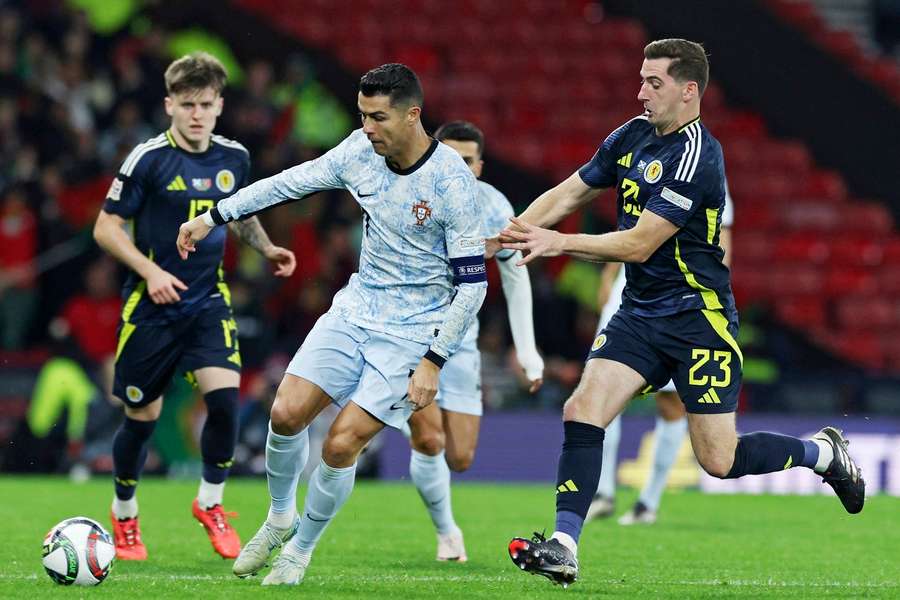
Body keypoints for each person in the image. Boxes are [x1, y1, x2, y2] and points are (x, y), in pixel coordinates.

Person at [498, 39, 865, 587]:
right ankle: (565, 545)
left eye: (654, 83)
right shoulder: (631, 134)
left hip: (700, 319)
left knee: (719, 459)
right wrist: (513, 232)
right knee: (582, 408)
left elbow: (641, 244)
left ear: (688, 91)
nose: (640, 91)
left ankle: (823, 454)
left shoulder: (698, 156)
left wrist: (556, 244)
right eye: (641, 79)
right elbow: (570, 192)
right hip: (640, 313)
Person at [176, 63, 488, 586]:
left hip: (412, 335)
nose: (367, 127)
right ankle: (279, 517)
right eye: (362, 115)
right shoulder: (359, 152)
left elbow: (472, 285)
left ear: (413, 115)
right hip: (355, 310)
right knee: (285, 413)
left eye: (378, 117)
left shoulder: (453, 184)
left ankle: (300, 549)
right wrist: (214, 217)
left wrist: (434, 360)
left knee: (340, 445)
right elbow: (288, 184)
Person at [92, 51, 296, 561]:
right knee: (141, 419)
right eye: (187, 104)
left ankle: (211, 502)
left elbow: (240, 213)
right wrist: (151, 271)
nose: (197, 113)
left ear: (221, 104)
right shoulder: (147, 158)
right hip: (152, 308)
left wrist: (266, 247)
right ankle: (124, 515)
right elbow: (105, 227)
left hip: (208, 300)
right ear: (169, 105)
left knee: (224, 403)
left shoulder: (235, 158)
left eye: (206, 103)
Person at [404, 121, 544, 562]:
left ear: (479, 166)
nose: (458, 169)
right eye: (448, 158)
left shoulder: (494, 207)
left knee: (460, 457)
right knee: (429, 441)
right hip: (406, 335)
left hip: (460, 343)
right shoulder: (409, 195)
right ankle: (447, 534)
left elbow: (515, 275)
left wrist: (527, 352)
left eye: (467, 161)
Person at [587, 183, 733, 525]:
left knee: (670, 404)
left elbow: (721, 247)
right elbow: (629, 228)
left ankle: (647, 501)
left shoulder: (711, 179)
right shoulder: (644, 161)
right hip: (629, 296)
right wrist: (609, 273)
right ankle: (603, 493)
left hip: (677, 303)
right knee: (604, 395)